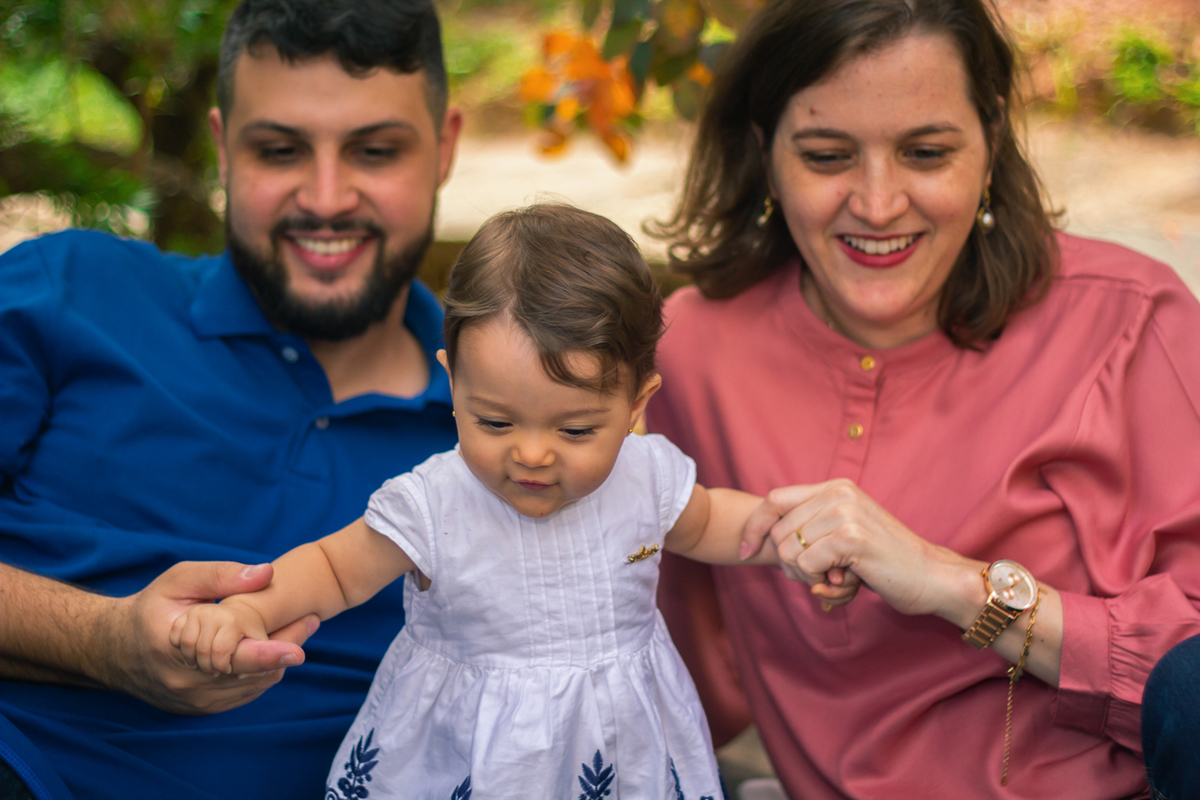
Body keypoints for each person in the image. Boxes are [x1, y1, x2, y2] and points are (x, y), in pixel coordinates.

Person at [645, 0, 1200, 797]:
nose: (878, 204)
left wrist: (950, 584)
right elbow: (657, 663)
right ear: (766, 154)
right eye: (827, 156)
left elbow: (1190, 684)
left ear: (992, 141)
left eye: (927, 153)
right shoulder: (691, 353)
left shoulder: (1130, 320)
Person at [168, 204, 846, 799]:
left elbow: (712, 522)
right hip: (472, 750)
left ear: (637, 404)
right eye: (494, 422)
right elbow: (333, 570)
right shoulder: (436, 504)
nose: (532, 454)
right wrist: (253, 610)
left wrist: (787, 538)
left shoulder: (646, 478)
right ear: (453, 384)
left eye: (575, 430)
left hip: (619, 742)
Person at [0, 1, 462, 798]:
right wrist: (103, 642)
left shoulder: (519, 435)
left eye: (375, 151)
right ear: (221, 147)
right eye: (279, 150)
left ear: (445, 147)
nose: (326, 198)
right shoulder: (70, 291)